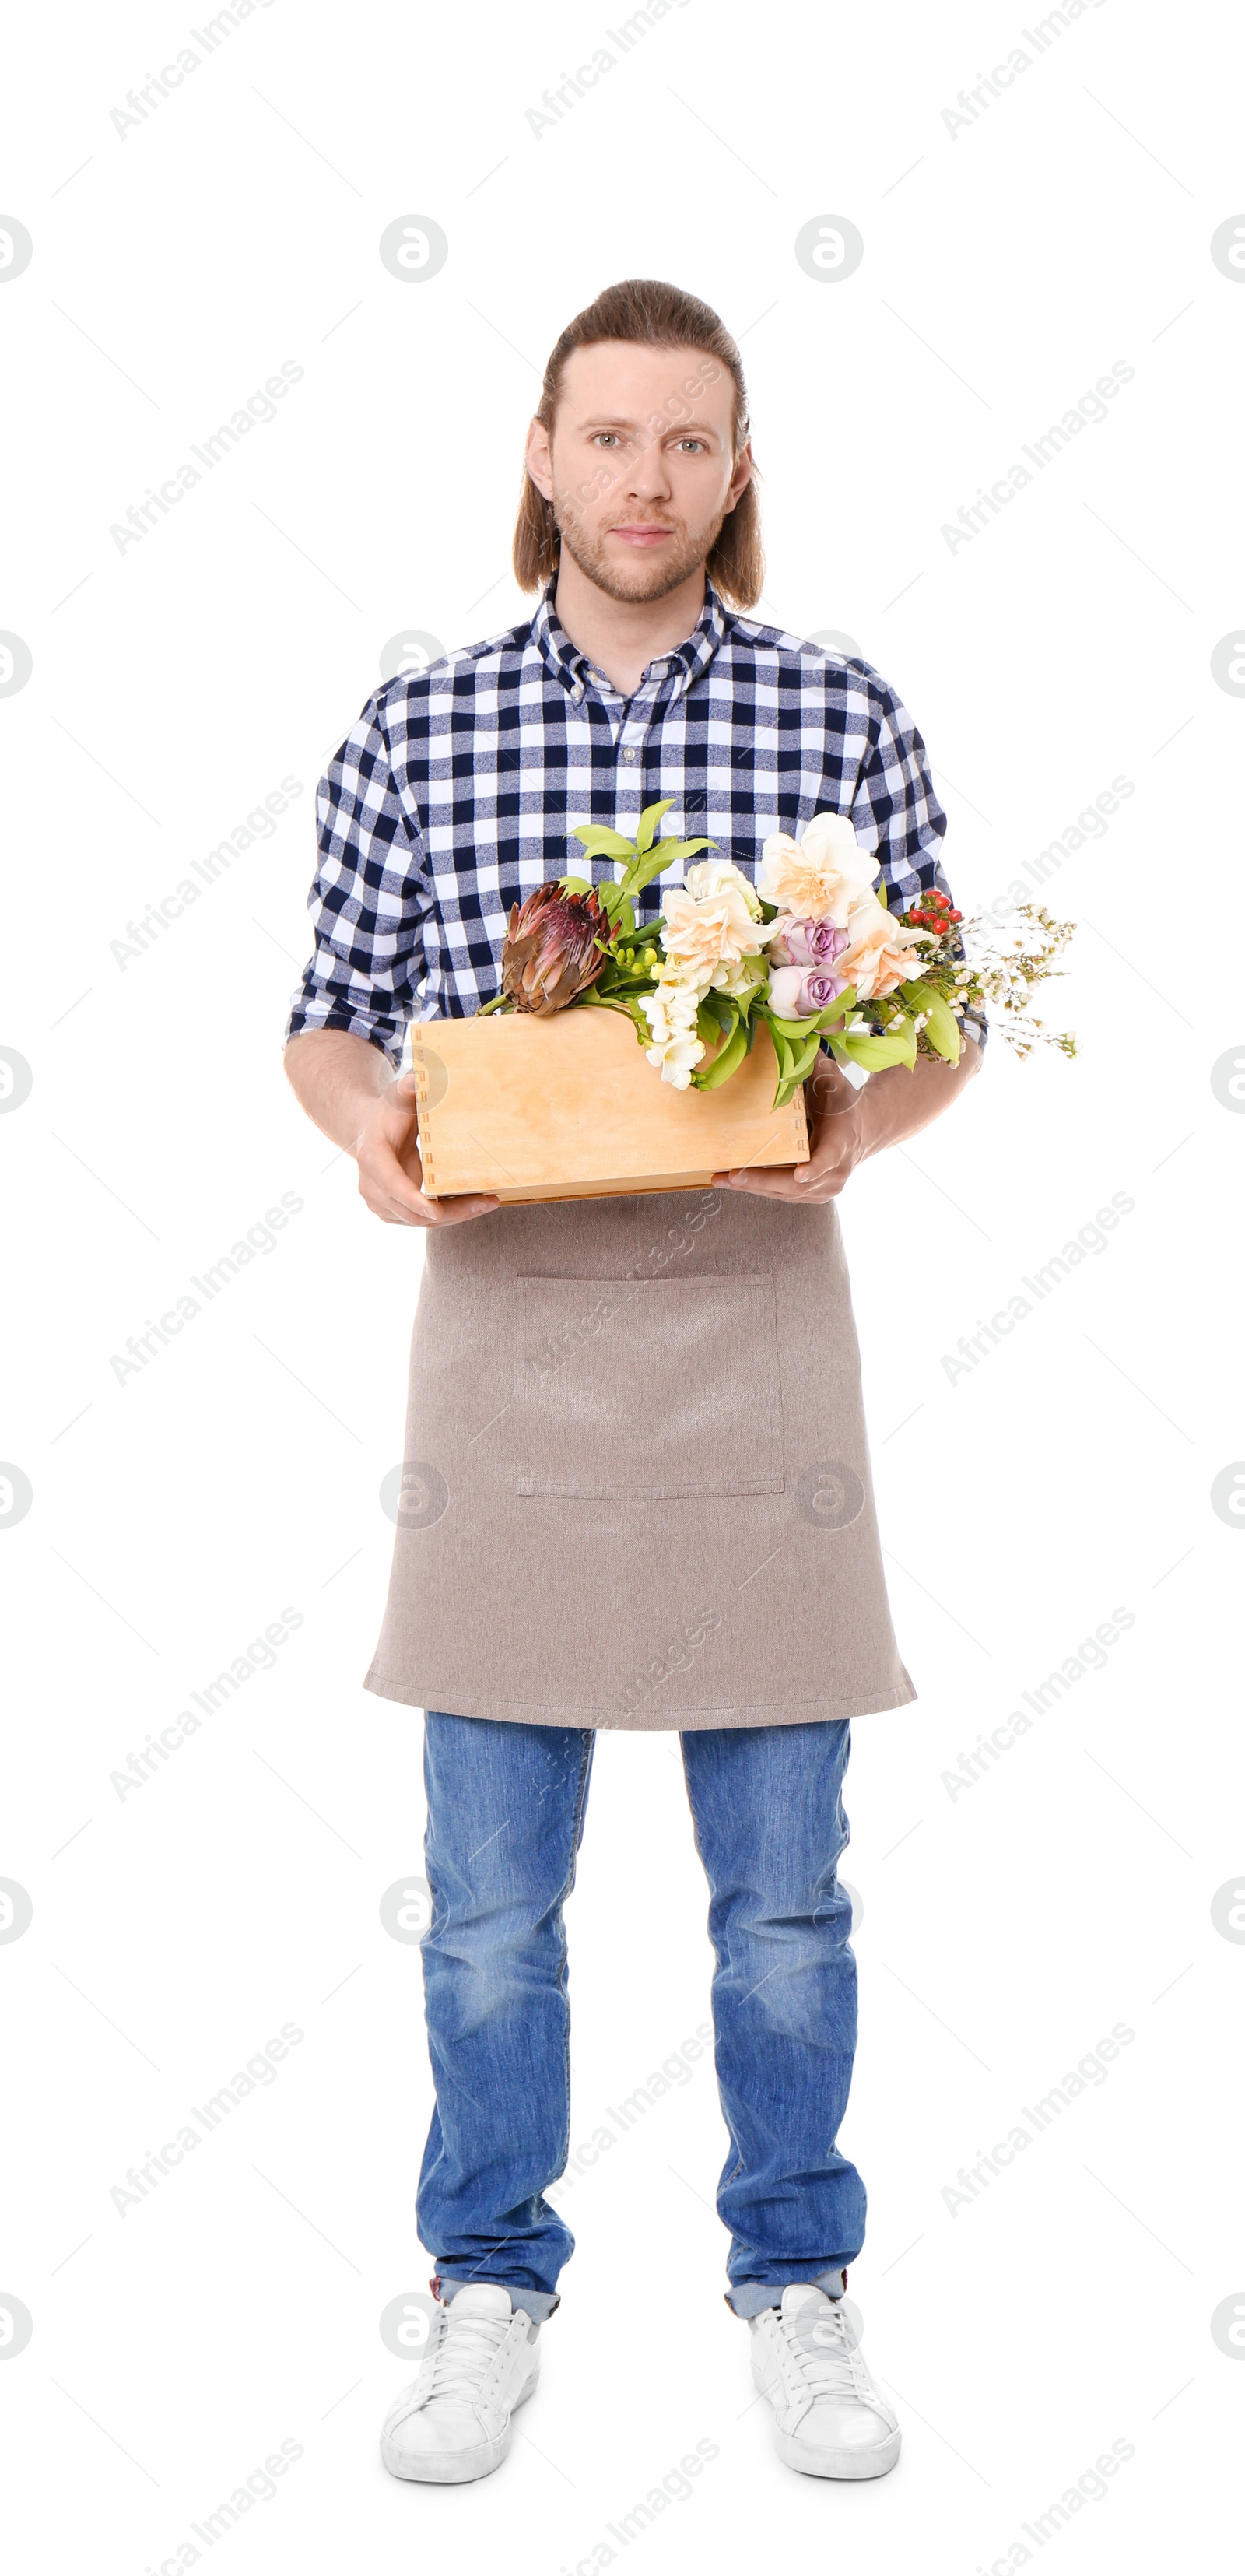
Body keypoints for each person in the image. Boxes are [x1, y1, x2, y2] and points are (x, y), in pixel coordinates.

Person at [283, 277, 982, 2489]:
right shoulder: (419, 725)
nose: (649, 480)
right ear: (542, 456)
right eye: (611, 438)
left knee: (785, 1902)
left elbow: (945, 1007)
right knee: (492, 1907)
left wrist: (869, 1116)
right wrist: (369, 1136)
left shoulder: (842, 711)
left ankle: (797, 2281)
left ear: (738, 469)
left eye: (692, 441)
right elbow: (324, 1010)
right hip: (502, 1363)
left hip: (761, 1352)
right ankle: (485, 2281)